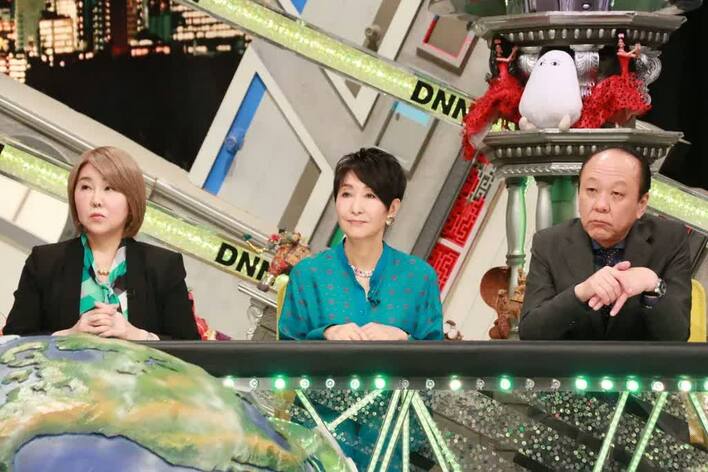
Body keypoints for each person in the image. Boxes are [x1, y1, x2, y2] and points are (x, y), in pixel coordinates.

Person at [4, 146, 200, 340]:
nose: (96, 200)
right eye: (86, 187)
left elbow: (190, 348)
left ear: (131, 200)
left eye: (109, 188)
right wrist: (68, 335)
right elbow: (13, 341)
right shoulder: (44, 261)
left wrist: (136, 335)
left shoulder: (163, 266)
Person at [519, 146, 691, 341]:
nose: (600, 205)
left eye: (616, 193)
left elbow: (677, 336)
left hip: (640, 361)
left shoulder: (670, 239)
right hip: (571, 361)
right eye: (591, 190)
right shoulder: (549, 243)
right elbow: (530, 333)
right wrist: (580, 293)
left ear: (641, 204)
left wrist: (653, 285)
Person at [278, 147, 444, 341]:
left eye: (370, 195)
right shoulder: (308, 273)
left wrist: (401, 338)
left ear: (392, 208)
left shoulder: (420, 278)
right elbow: (286, 352)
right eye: (347, 194)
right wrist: (325, 334)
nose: (356, 208)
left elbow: (436, 356)